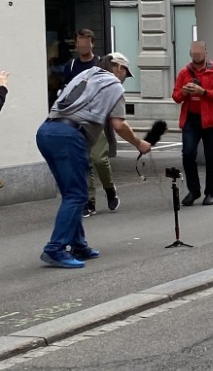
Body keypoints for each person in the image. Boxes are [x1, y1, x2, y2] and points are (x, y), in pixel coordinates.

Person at [37, 53, 153, 268]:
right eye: (125, 73)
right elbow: (118, 125)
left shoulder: (85, 74)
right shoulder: (114, 86)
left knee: (72, 193)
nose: (124, 78)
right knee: (77, 194)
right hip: (69, 136)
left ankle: (78, 244)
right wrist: (139, 144)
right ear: (118, 68)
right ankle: (55, 249)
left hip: (47, 131)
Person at [61, 29, 118, 218]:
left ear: (92, 43)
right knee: (84, 162)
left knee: (98, 159)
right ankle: (89, 201)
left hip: (97, 120)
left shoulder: (100, 64)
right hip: (77, 121)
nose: (82, 45)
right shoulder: (70, 67)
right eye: (79, 42)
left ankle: (110, 189)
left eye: (85, 42)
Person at [172, 41, 213, 206]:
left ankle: (210, 192)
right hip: (191, 119)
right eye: (194, 52)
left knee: (211, 157)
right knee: (188, 154)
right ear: (190, 53)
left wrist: (203, 92)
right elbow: (176, 97)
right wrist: (184, 91)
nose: (197, 55)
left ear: (205, 52)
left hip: (212, 120)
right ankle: (194, 190)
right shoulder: (184, 72)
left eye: (200, 52)